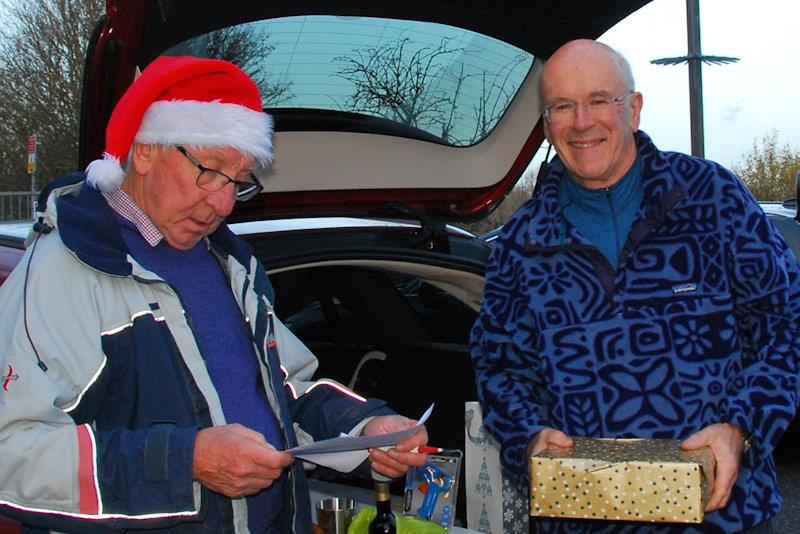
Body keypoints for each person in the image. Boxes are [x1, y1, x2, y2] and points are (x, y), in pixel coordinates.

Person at [0, 55, 428, 533]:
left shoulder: (230, 265)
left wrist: (363, 430)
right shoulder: (68, 269)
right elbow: (12, 454)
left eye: (238, 184)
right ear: (145, 151)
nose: (223, 203)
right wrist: (187, 461)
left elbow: (286, 393)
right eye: (210, 171)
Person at [470, 39, 800, 533]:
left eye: (600, 99)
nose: (582, 122)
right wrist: (528, 438)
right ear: (546, 125)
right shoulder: (523, 242)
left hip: (725, 517)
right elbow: (501, 369)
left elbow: (786, 328)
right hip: (582, 519)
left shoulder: (713, 199)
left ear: (634, 108)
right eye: (563, 106)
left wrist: (742, 429)